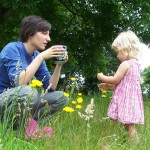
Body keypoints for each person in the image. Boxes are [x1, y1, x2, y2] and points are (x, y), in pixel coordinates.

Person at [0, 15, 69, 130]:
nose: (49, 39)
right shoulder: (12, 48)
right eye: (44, 33)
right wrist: (41, 57)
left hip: (20, 99)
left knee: (61, 97)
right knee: (27, 91)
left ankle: (27, 127)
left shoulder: (36, 55)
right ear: (30, 33)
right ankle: (16, 128)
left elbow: (50, 88)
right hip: (3, 98)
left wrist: (58, 65)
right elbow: (19, 82)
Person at [97, 31, 144, 144]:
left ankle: (134, 145)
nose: (117, 55)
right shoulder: (136, 65)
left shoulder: (125, 64)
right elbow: (124, 83)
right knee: (127, 124)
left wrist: (102, 77)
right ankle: (128, 143)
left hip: (126, 101)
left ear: (126, 49)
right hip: (132, 100)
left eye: (118, 52)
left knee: (129, 126)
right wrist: (109, 86)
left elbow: (115, 79)